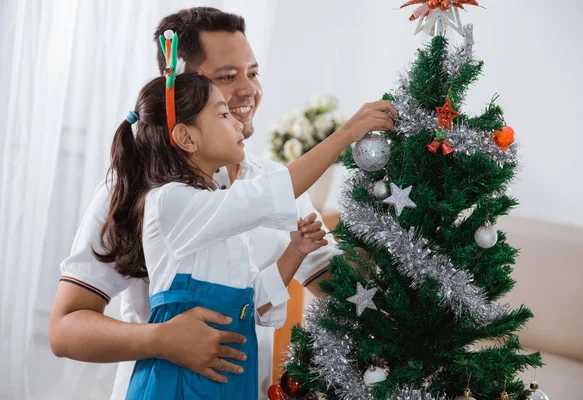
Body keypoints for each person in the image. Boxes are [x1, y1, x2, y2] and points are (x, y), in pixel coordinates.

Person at [48, 7, 397, 399]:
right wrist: (160, 339)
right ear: (179, 93)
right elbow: (65, 331)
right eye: (228, 77)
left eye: (253, 72)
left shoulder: (273, 181)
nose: (249, 90)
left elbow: (337, 289)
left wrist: (401, 227)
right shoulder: (139, 192)